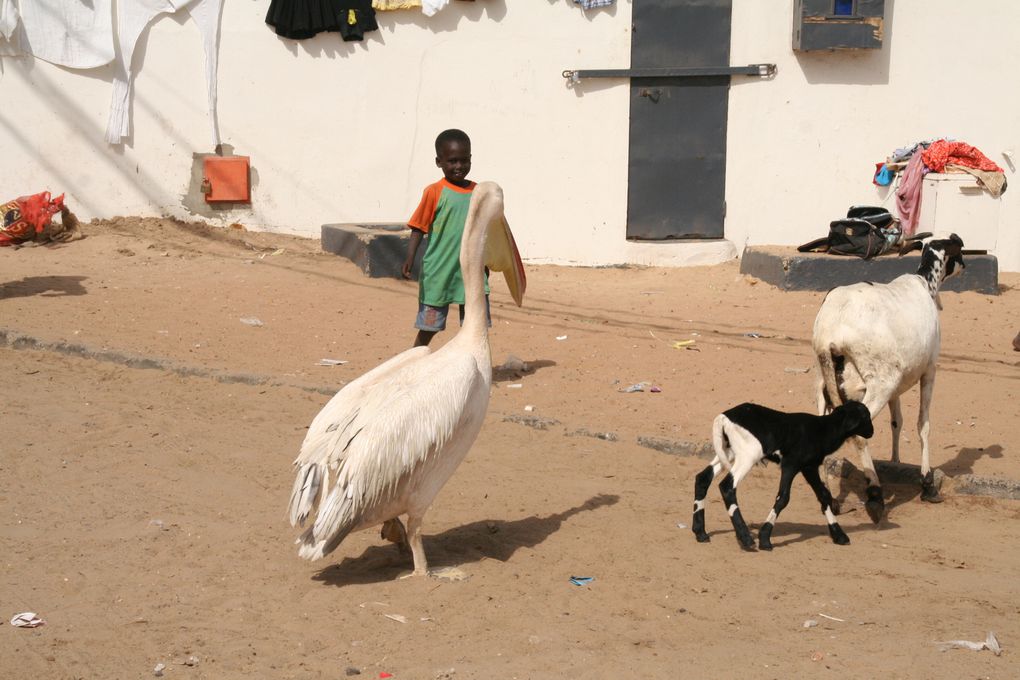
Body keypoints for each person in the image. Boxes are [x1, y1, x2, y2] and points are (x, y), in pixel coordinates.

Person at [402, 129, 490, 347]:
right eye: (452, 161)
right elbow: (418, 228)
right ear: (438, 162)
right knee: (429, 326)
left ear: (470, 159)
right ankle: (414, 361)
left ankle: (474, 370)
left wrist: (486, 261)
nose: (459, 166)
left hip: (470, 271)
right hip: (439, 271)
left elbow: (484, 232)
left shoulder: (479, 192)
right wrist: (409, 259)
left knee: (474, 325)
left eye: (464, 160)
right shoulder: (434, 192)